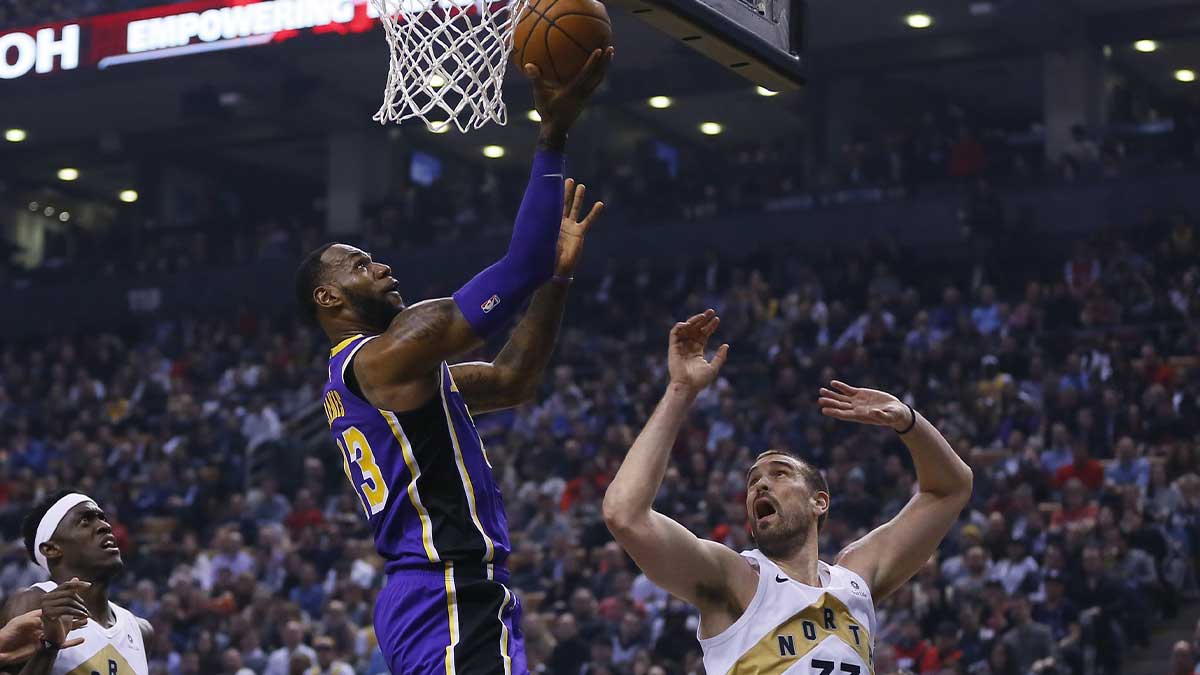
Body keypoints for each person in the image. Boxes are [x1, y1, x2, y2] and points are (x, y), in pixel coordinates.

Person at [293, 48, 613, 675]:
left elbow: (514, 380)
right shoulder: (387, 356)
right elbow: (516, 269)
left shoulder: (380, 376)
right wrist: (552, 135)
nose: (381, 266)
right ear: (328, 298)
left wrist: (556, 282)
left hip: (441, 591)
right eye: (359, 264)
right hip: (446, 588)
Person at [602, 310, 973, 673]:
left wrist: (909, 422)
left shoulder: (856, 580)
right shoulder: (737, 580)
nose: (760, 484)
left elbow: (950, 489)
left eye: (780, 473)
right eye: (752, 481)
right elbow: (625, 515)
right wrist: (680, 390)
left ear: (819, 501)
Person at [0, 490, 153, 675]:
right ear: (51, 548)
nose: (104, 526)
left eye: (102, 517)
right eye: (85, 521)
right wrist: (49, 648)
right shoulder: (31, 604)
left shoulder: (141, 631)